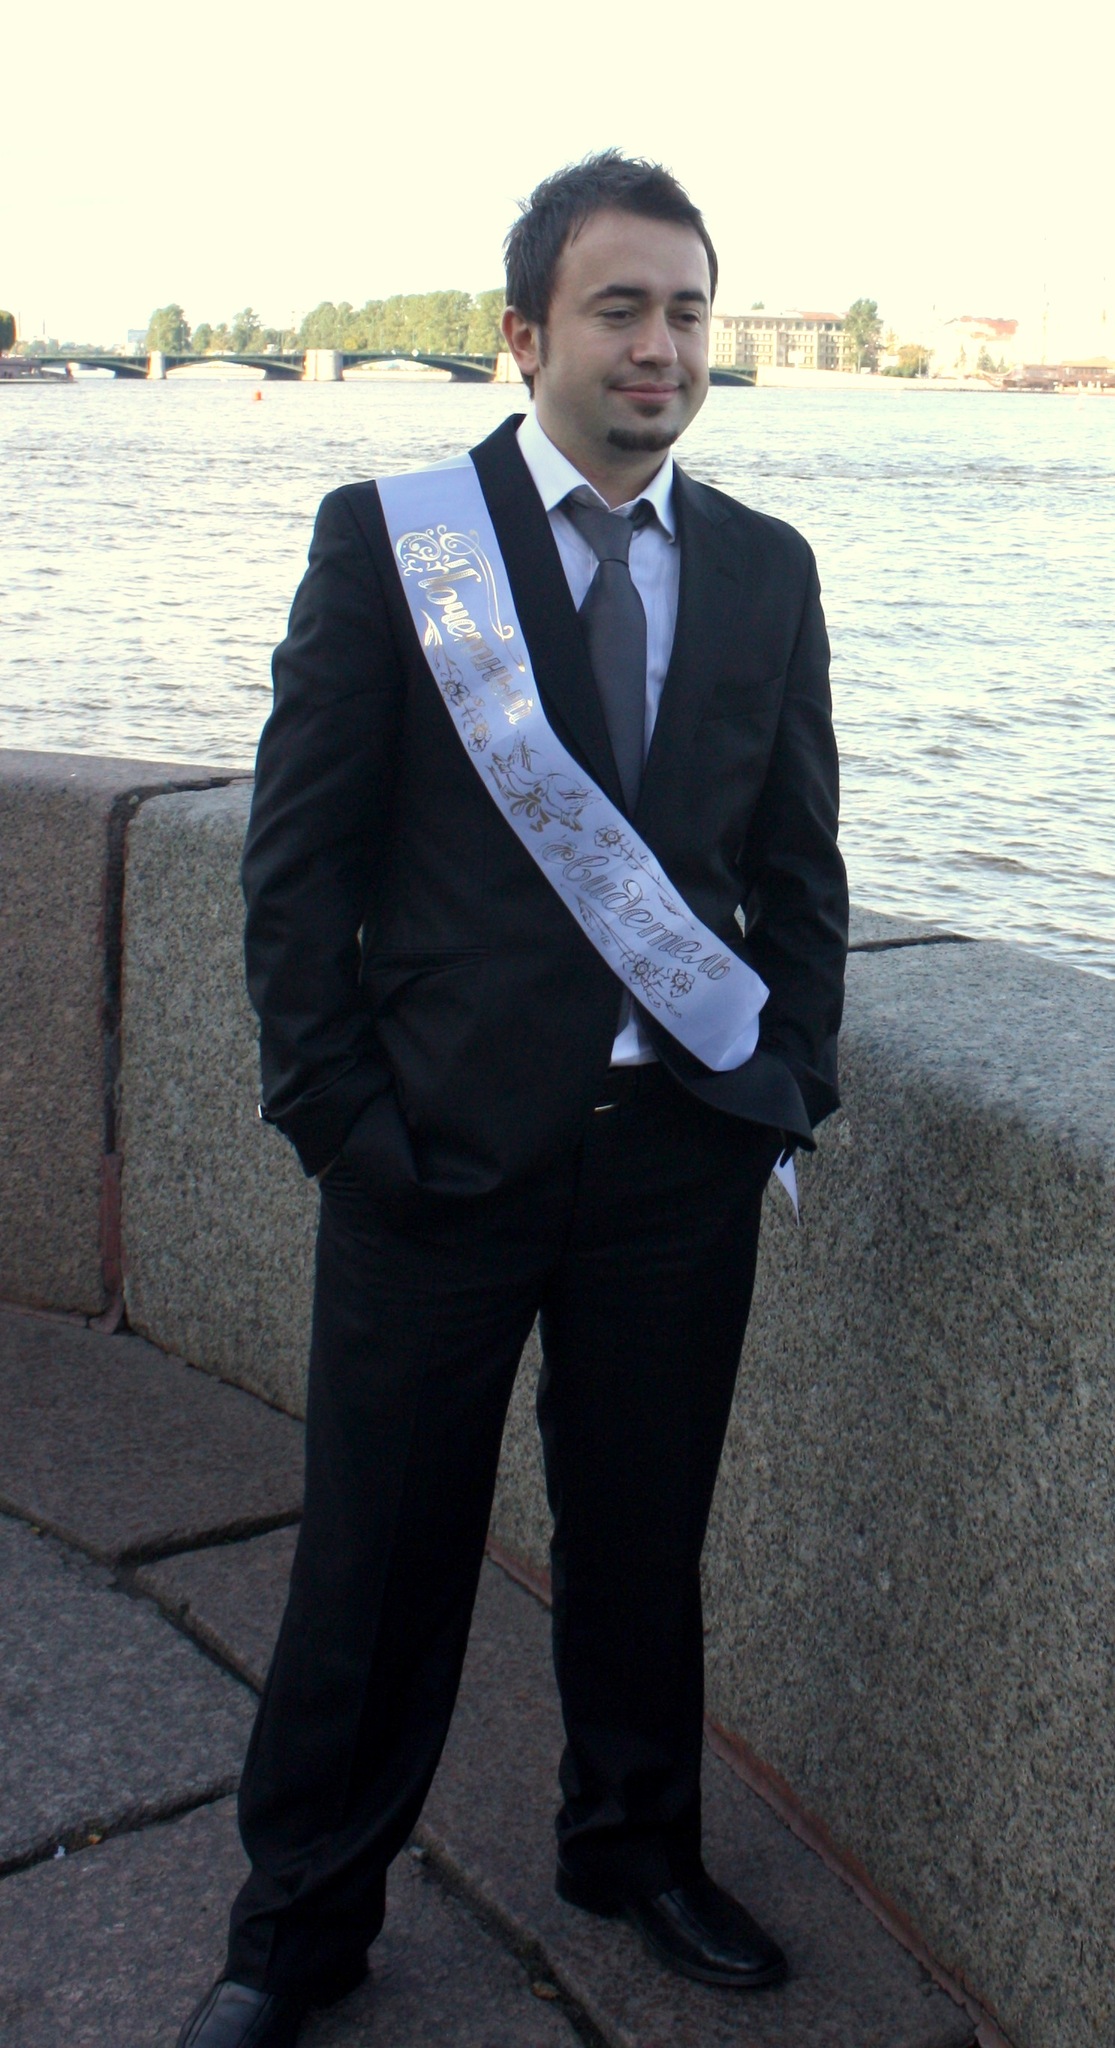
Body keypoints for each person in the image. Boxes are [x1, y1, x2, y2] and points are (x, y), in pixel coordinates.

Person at [177, 151, 848, 2048]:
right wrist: (341, 1123)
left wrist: (784, 1088)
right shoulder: (396, 543)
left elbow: (798, 870)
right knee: (376, 1564)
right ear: (525, 333)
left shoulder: (768, 569)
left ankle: (632, 1849)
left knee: (643, 1541)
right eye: (621, 308)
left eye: (689, 313)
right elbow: (297, 870)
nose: (662, 348)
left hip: (679, 1165)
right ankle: (297, 1930)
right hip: (437, 1165)